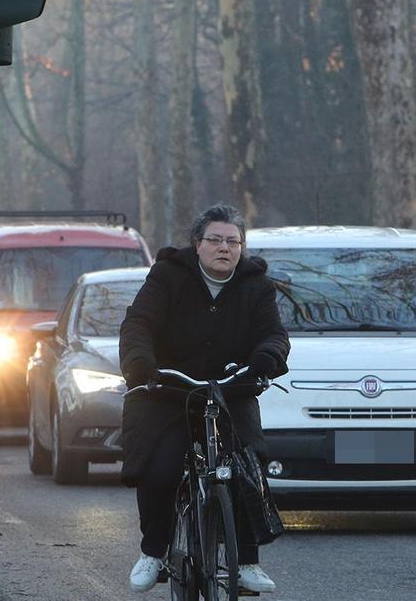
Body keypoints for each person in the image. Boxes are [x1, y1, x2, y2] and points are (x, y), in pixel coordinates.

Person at [119, 204, 290, 594]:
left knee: (247, 465)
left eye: (233, 241)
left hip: (232, 388)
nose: (224, 248)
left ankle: (245, 560)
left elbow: (274, 334)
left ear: (241, 248)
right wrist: (141, 364)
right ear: (197, 244)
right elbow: (139, 323)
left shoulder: (256, 285)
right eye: (215, 239)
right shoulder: (167, 276)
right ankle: (154, 552)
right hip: (169, 391)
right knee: (160, 468)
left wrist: (265, 359)